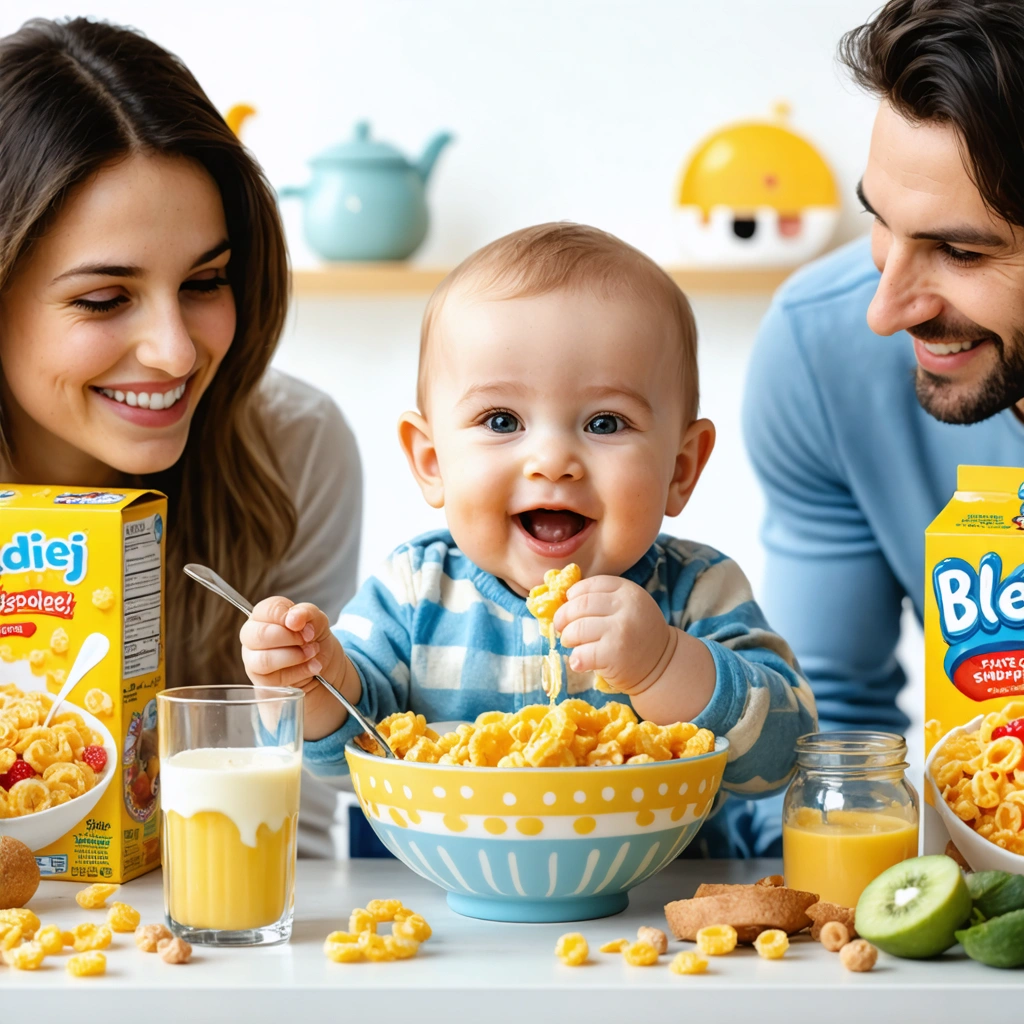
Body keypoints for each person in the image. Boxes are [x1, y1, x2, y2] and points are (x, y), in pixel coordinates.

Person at [239, 223, 817, 856]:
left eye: (604, 422)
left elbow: (785, 758)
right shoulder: (413, 592)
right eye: (501, 421)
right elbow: (343, 758)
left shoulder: (697, 590)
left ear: (680, 468)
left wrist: (664, 665)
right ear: (432, 460)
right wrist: (306, 681)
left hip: (657, 919)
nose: (552, 460)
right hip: (443, 916)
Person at [0, 17, 362, 856]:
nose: (176, 350)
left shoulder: (295, 451)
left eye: (205, 281)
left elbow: (295, 823)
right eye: (103, 299)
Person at [742, 0, 1024, 853]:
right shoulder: (823, 351)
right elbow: (829, 743)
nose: (885, 310)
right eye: (879, 220)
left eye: (962, 253)